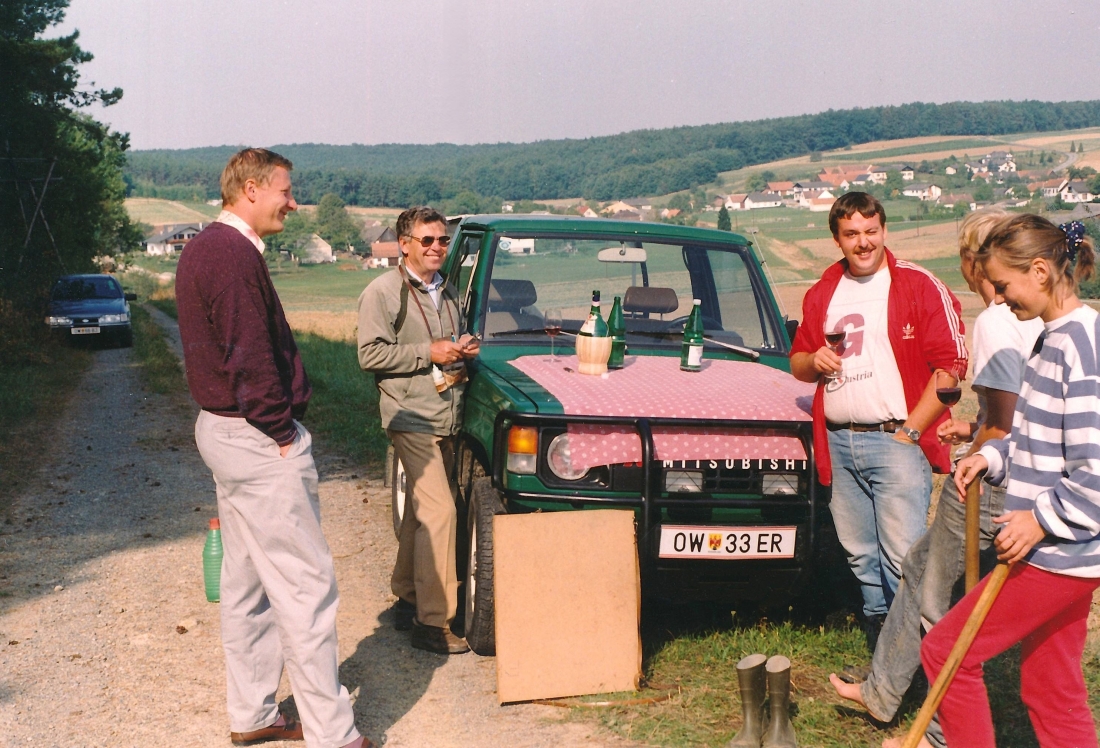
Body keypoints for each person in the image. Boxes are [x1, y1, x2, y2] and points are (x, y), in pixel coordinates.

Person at [827, 209, 1044, 748]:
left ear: (975, 260)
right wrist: (972, 425)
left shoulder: (995, 320)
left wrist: (978, 442)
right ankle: (881, 692)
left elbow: (1004, 423)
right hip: (1011, 467)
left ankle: (941, 733)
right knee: (919, 568)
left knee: (940, 602)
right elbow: (1027, 412)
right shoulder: (1038, 315)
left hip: (987, 480)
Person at [176, 148, 369, 748]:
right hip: (257, 437)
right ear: (252, 189)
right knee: (305, 587)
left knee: (246, 582)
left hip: (226, 431)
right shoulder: (232, 256)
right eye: (286, 191)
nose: (293, 202)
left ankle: (253, 714)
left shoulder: (207, 246)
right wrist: (282, 432)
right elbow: (250, 356)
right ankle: (333, 733)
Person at [925, 216, 1100, 747]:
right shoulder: (1052, 338)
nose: (998, 300)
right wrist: (992, 457)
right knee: (1050, 686)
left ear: (1040, 271)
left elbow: (1095, 474)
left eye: (1003, 285)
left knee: (945, 653)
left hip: (1056, 554)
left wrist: (1039, 520)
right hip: (1062, 552)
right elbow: (1035, 439)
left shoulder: (1081, 348)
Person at [790, 192, 968, 648]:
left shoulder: (917, 284)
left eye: (871, 231)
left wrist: (910, 432)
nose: (863, 242)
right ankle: (881, 651)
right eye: (851, 234)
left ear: (884, 231)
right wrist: (815, 359)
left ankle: (917, 661)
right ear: (837, 239)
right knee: (861, 556)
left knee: (902, 557)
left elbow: (950, 367)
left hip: (895, 440)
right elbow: (798, 362)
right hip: (839, 442)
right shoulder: (824, 291)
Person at [357, 206, 479, 655]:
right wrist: (429, 352)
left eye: (443, 240)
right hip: (410, 417)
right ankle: (433, 622)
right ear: (404, 244)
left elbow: (444, 348)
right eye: (427, 240)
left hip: (444, 414)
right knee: (441, 512)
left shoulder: (446, 290)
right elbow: (369, 355)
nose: (436, 248)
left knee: (420, 511)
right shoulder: (382, 292)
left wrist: (461, 349)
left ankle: (408, 596)